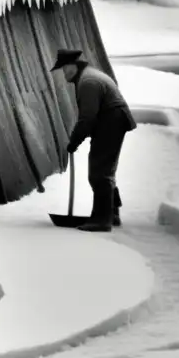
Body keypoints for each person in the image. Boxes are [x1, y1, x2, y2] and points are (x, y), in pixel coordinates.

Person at [51, 48, 138, 232]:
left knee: (99, 172)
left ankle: (102, 220)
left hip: (112, 122)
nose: (64, 73)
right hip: (111, 121)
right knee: (105, 168)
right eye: (63, 69)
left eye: (66, 68)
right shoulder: (87, 77)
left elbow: (87, 118)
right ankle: (112, 213)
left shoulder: (88, 82)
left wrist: (74, 141)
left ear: (75, 66)